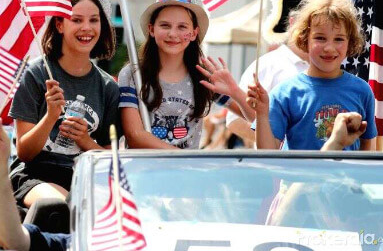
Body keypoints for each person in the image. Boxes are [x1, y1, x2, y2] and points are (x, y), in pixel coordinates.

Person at [0, 109, 366, 251]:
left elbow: (284, 224)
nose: (182, 199)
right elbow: (15, 240)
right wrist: (2, 170)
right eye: (169, 192)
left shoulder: (239, 242)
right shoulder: (109, 240)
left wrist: (333, 146)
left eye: (193, 190)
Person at [8, 0, 120, 211]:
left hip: (85, 178)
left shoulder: (108, 86)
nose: (86, 28)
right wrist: (50, 116)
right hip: (33, 177)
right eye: (76, 20)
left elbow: (112, 158)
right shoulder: (37, 73)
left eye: (94, 20)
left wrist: (86, 141)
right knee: (60, 208)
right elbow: (24, 152)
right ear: (59, 25)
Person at [118, 0, 255, 149]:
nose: (173, 34)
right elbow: (134, 136)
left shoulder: (203, 76)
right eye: (165, 25)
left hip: (189, 173)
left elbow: (255, 117)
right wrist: (181, 157)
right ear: (151, 29)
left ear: (193, 33)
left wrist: (234, 90)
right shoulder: (133, 74)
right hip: (143, 171)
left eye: (182, 27)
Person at [226, 0, 346, 144]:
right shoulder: (267, 66)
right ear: (293, 23)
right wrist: (282, 144)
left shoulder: (339, 67)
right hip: (281, 168)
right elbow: (234, 121)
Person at [247, 0, 377, 150]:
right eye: (320, 38)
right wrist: (261, 114)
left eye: (339, 39)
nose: (329, 48)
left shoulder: (362, 90)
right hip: (297, 175)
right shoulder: (286, 92)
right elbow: (268, 154)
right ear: (304, 39)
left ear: (350, 42)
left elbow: (367, 151)